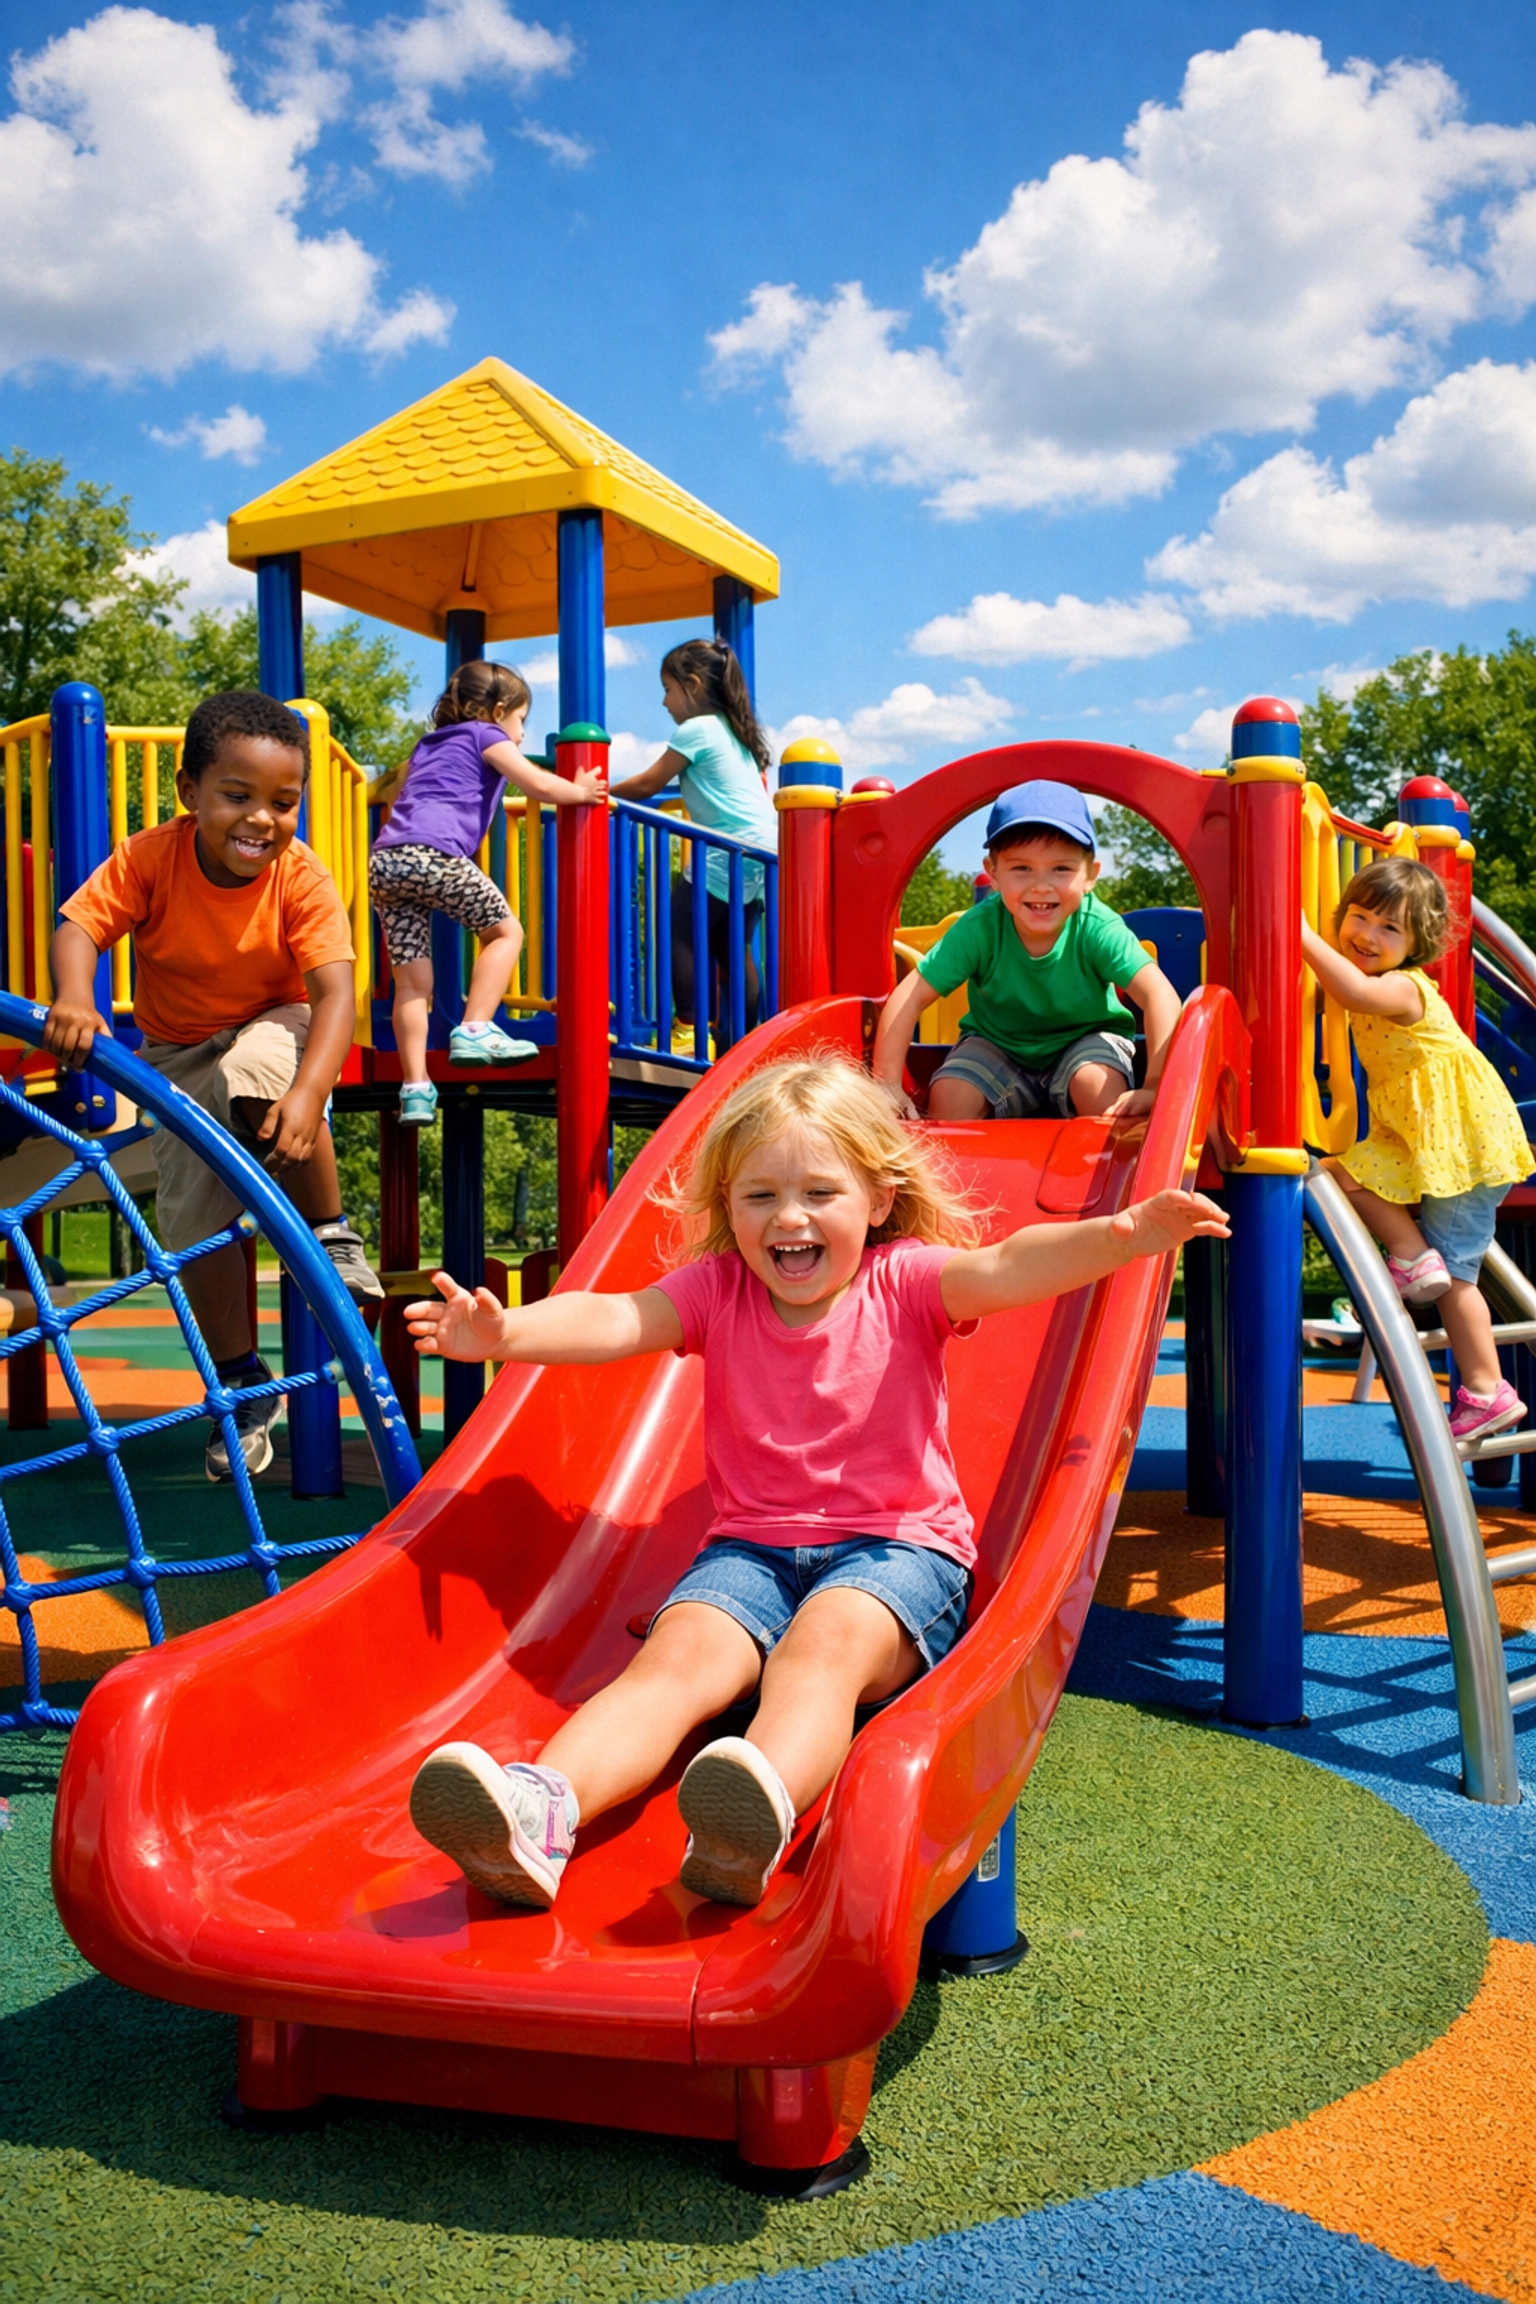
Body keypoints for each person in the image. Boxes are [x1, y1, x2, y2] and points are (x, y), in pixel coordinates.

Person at [403, 1055, 1227, 1911]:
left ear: (876, 1200)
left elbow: (1010, 1265)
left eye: (819, 1194)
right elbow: (616, 1316)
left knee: (821, 1650)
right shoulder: (719, 1290)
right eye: (759, 1196)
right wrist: (506, 1332)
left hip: (899, 1555)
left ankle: (755, 1805)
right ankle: (543, 1809)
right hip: (751, 1553)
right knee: (672, 1660)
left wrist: (1123, 1235)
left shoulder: (903, 1280)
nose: (788, 1218)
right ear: (728, 1207)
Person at [45, 690, 382, 1483]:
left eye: (282, 802)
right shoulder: (149, 858)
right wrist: (75, 997)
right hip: (175, 1052)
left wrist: (309, 1093)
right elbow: (80, 926)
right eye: (238, 796)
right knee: (191, 1219)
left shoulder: (301, 877)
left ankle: (330, 1230)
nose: (261, 818)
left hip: (279, 1019)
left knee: (258, 1071)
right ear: (190, 793)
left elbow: (336, 994)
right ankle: (239, 1378)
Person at [1302, 857, 1534, 1444]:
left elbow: (1348, 987)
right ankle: (1410, 1254)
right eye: (1359, 917)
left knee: (1458, 1278)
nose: (1367, 935)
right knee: (1339, 1175)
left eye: (1390, 929)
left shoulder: (1402, 987)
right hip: (1425, 1138)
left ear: (1416, 943)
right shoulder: (1389, 984)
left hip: (1462, 1145)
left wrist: (1295, 933)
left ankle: (1486, 1390)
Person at [370, 660, 606, 1128]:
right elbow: (534, 782)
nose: (519, 735)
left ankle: (415, 1086)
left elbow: (403, 794)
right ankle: (476, 1026)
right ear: (498, 712)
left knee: (413, 984)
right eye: (520, 722)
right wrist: (577, 791)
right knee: (504, 932)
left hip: (386, 861)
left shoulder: (428, 745)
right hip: (433, 855)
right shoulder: (486, 735)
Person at [872, 782, 1182, 1123]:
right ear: (993, 873)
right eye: (1022, 868)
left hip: (1085, 1041)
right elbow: (911, 995)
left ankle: (1105, 1171)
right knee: (950, 1097)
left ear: (1090, 875)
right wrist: (886, 1085)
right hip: (997, 1044)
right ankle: (966, 1175)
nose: (1041, 885)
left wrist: (1155, 1086)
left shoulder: (1095, 926)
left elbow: (1159, 995)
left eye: (1061, 868)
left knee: (1098, 1086)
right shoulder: (981, 928)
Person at [608, 638, 777, 1050]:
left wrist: (601, 796)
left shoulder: (696, 729)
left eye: (668, 689)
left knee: (679, 933)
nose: (665, 702)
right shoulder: (737, 732)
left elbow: (649, 782)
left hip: (723, 852)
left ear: (694, 685)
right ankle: (742, 1038)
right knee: (733, 947)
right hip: (762, 854)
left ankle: (688, 1029)